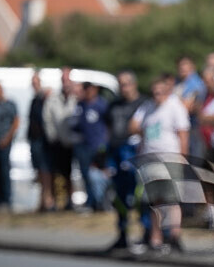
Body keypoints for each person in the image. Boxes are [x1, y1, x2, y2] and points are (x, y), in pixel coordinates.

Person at [130, 77, 190, 250]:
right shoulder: (148, 107)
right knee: (154, 201)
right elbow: (134, 127)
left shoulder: (174, 106)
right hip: (150, 159)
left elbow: (183, 133)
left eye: (160, 92)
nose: (157, 96)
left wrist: (183, 158)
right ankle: (155, 239)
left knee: (172, 199)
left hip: (169, 158)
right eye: (154, 92)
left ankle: (174, 237)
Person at [105, 70, 147, 248]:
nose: (124, 88)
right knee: (119, 196)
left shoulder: (144, 104)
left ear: (134, 84)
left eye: (126, 84)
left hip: (134, 152)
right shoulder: (114, 105)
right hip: (116, 152)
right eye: (120, 84)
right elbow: (108, 127)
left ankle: (147, 233)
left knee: (139, 196)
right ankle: (123, 233)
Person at [43, 68, 78, 210]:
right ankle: (59, 201)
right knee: (58, 173)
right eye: (63, 80)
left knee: (72, 173)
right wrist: (53, 137)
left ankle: (71, 200)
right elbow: (48, 120)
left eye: (68, 79)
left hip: (74, 143)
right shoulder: (53, 99)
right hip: (58, 143)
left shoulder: (76, 98)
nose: (66, 83)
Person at [72, 82, 108, 211]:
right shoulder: (80, 105)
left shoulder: (102, 105)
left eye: (90, 89)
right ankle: (91, 202)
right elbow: (74, 124)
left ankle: (101, 202)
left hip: (98, 147)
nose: (88, 92)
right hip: (83, 146)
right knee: (85, 175)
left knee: (99, 176)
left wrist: (105, 144)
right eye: (85, 89)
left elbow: (108, 125)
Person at [28, 72, 54, 211]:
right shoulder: (35, 99)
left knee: (45, 170)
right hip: (35, 139)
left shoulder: (45, 98)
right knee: (39, 171)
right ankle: (42, 199)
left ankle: (47, 199)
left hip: (43, 140)